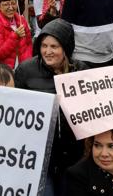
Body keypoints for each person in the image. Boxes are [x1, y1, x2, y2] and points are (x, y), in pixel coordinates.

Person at [15, 19, 82, 194]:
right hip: (39, 155)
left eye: (54, 46)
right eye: (44, 46)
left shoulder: (81, 71)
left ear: (66, 48)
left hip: (73, 154)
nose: (48, 51)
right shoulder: (25, 71)